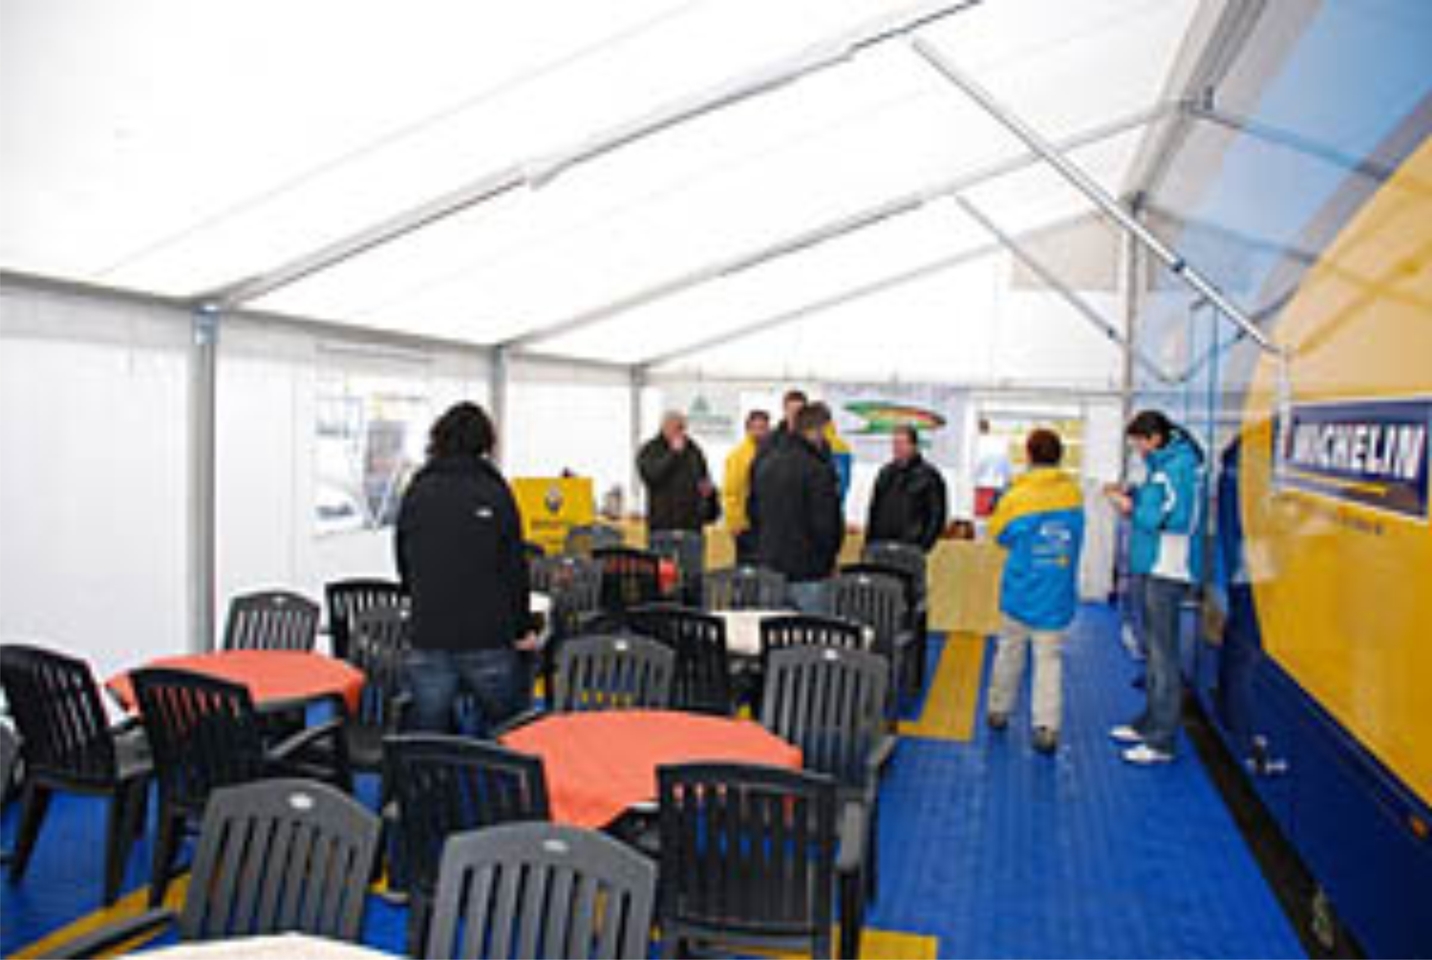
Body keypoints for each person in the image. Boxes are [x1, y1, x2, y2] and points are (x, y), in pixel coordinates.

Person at [395, 402, 536, 736]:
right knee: (508, 733)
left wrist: (421, 599)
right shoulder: (495, 491)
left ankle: (433, 773)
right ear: (485, 441)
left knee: (428, 737)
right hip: (488, 634)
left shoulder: (418, 490)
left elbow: (404, 557)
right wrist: (522, 628)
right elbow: (514, 568)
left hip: (429, 631)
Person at [1103, 410, 1205, 765]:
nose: (1137, 449)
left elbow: (1181, 518)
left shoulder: (1180, 466)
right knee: (1152, 651)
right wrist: (1134, 495)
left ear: (1155, 438)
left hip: (1167, 568)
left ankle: (1162, 741)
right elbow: (1158, 501)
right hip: (1150, 564)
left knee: (1164, 656)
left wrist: (1129, 507)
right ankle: (1149, 722)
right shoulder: (1162, 465)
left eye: (1138, 442)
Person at [985, 429, 1085, 754]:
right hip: (1056, 590)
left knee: (1009, 651)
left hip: (1021, 587)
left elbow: (998, 534)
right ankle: (1046, 726)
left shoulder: (1017, 496)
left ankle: (999, 709)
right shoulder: (1073, 494)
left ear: (1028, 455)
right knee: (1049, 660)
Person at [750, 403, 844, 614]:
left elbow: (753, 512)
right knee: (812, 632)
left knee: (771, 631)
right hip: (809, 571)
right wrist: (829, 558)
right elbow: (826, 525)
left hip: (770, 567)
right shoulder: (818, 470)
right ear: (817, 430)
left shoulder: (766, 464)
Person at [637, 411, 716, 590]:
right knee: (660, 582)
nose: (679, 432)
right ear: (664, 427)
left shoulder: (694, 450)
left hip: (691, 529)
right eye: (675, 428)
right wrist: (673, 454)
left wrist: (708, 493)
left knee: (693, 582)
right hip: (662, 529)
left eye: (682, 428)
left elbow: (704, 479)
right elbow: (651, 476)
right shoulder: (650, 450)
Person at [865, 424, 948, 552]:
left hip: (910, 548)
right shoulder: (885, 473)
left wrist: (923, 545)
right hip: (882, 546)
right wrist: (869, 542)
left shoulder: (929, 476)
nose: (897, 448)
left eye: (902, 443)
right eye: (895, 443)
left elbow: (937, 516)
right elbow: (874, 510)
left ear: (913, 446)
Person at [723, 409, 771, 565]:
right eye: (755, 428)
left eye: (763, 428)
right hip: (745, 525)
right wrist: (735, 522)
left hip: (768, 524)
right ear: (747, 429)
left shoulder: (773, 453)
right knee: (747, 569)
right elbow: (731, 491)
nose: (759, 432)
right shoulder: (738, 456)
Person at [973, 418, 1012, 517]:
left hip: (980, 489)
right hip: (996, 488)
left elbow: (975, 468)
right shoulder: (999, 443)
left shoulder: (974, 443)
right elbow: (1007, 471)